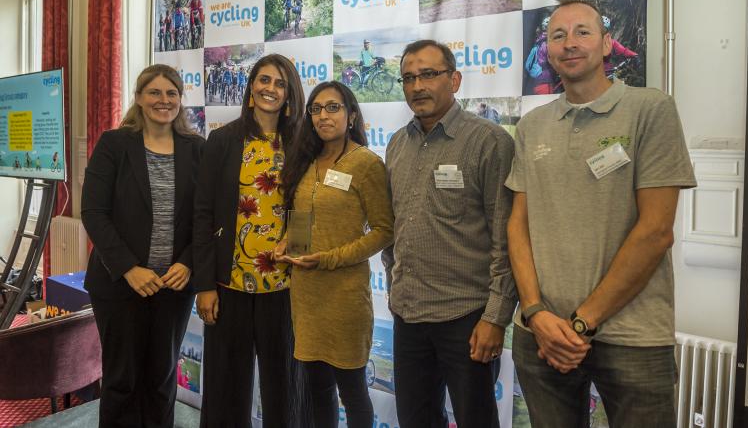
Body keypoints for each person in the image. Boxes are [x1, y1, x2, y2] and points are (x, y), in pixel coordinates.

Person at [506, 0, 696, 428]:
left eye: (582, 32)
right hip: (542, 332)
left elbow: (655, 232)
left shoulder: (651, 110)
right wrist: (535, 311)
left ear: (607, 44)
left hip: (631, 336)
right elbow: (518, 225)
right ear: (547, 50)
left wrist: (580, 324)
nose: (569, 43)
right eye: (557, 35)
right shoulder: (532, 126)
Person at [383, 40, 516, 428]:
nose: (417, 86)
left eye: (428, 74)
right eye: (408, 77)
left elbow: (506, 239)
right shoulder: (396, 144)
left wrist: (495, 317)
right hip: (409, 315)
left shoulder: (489, 142)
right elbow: (395, 225)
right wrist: (395, 282)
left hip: (467, 317)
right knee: (415, 419)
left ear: (454, 79)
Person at [81, 64, 205, 427]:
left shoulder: (197, 149)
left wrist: (189, 262)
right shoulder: (114, 144)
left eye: (171, 93)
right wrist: (129, 269)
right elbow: (93, 212)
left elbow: (207, 216)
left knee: (162, 378)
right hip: (119, 285)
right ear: (138, 98)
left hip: (173, 285)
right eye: (154, 92)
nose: (163, 101)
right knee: (122, 380)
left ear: (181, 101)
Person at [193, 54, 310, 428]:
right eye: (263, 80)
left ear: (289, 93)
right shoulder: (223, 140)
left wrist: (299, 246)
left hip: (285, 286)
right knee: (226, 389)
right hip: (230, 285)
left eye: (279, 83)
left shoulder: (302, 143)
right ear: (250, 87)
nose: (270, 89)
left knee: (285, 388)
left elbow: (308, 205)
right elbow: (203, 214)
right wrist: (205, 285)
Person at [277, 80, 394, 428]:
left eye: (333, 107)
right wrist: (289, 245)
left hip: (345, 297)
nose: (323, 116)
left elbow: (384, 231)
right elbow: (300, 215)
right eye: (316, 109)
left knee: (352, 392)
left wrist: (328, 258)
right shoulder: (307, 161)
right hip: (306, 293)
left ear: (352, 113)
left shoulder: (366, 163)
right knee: (317, 389)